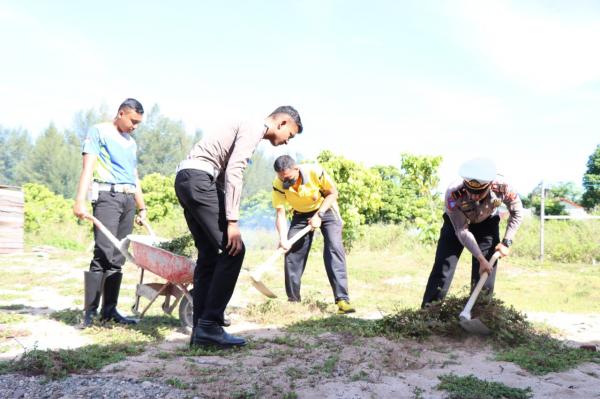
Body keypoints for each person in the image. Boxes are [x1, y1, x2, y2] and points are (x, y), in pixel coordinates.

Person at [175, 106, 303, 348]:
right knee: (235, 249)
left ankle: (200, 332)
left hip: (186, 179)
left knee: (209, 256)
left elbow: (223, 175)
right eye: (291, 135)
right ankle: (210, 325)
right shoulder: (255, 127)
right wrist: (232, 221)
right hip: (200, 179)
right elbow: (235, 170)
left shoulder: (246, 125)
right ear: (283, 122)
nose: (287, 142)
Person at [73, 98, 147, 326]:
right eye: (133, 121)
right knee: (103, 253)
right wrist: (80, 201)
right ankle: (89, 312)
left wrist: (142, 207)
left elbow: (134, 176)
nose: (135, 126)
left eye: (138, 123)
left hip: (127, 200)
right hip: (107, 197)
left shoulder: (131, 143)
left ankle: (109, 310)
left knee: (118, 256)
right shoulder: (99, 131)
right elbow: (88, 167)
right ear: (121, 113)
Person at [421, 158, 523, 308]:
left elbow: (517, 212)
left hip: (487, 222)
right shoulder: (453, 193)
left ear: (489, 185)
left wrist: (506, 242)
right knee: (444, 265)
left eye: (479, 192)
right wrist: (480, 258)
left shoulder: (503, 187)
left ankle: (479, 313)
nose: (474, 196)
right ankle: (429, 312)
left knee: (486, 269)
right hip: (457, 224)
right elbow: (462, 230)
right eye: (471, 191)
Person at [271, 155, 355, 315]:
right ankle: (293, 301)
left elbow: (332, 193)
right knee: (291, 252)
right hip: (300, 214)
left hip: (326, 209)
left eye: (288, 178)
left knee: (334, 248)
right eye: (282, 179)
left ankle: (342, 300)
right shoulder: (278, 184)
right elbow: (280, 213)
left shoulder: (315, 172)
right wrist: (283, 239)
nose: (285, 182)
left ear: (296, 169)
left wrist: (319, 215)